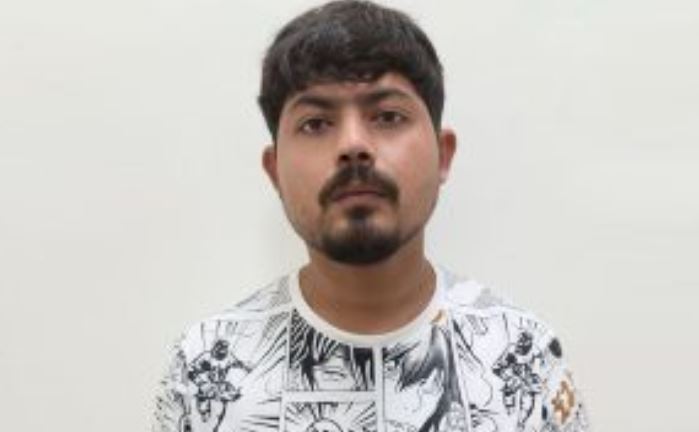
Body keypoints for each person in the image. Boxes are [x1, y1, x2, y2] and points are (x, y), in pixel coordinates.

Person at [153, 1, 590, 432]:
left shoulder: (522, 355)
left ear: (443, 156)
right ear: (274, 172)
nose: (353, 145)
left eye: (387, 116)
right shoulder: (205, 368)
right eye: (315, 123)